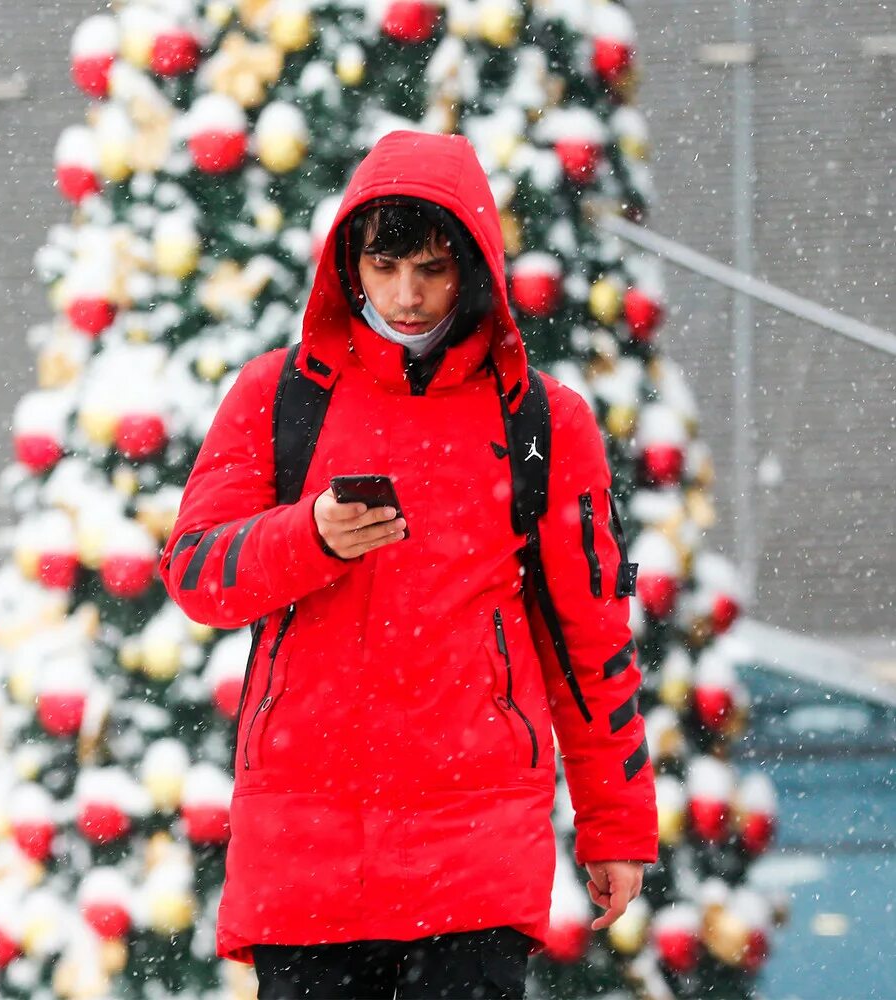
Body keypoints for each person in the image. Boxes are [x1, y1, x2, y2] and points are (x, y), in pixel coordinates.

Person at [159, 130, 659, 999]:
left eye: (431, 268)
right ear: (350, 264)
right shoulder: (278, 397)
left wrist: (615, 826)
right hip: (304, 849)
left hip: (476, 844)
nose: (407, 296)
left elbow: (590, 638)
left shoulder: (542, 422)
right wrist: (307, 538)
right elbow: (197, 572)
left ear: (475, 266)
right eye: (385, 268)